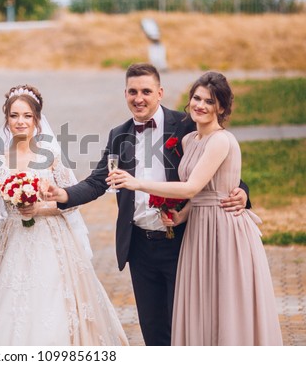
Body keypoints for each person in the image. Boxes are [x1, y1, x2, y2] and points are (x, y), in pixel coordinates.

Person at [45, 63, 249, 346]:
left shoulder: (188, 124)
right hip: (139, 247)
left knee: (187, 326)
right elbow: (96, 182)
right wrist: (62, 194)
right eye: (132, 92)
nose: (138, 98)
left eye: (145, 91)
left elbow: (221, 167)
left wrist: (242, 191)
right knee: (153, 331)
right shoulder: (119, 134)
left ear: (160, 92)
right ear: (125, 94)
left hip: (183, 241)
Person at [109, 71, 283, 345]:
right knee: (195, 315)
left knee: (224, 308)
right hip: (192, 230)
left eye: (209, 101)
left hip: (222, 230)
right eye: (196, 98)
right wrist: (181, 215)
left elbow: (193, 187)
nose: (200, 105)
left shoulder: (216, 137)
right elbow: (202, 190)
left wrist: (137, 184)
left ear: (222, 107)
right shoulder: (190, 139)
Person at [0, 85, 128, 346]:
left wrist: (39, 208)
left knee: (53, 301)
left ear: (37, 120)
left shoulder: (49, 155)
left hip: (52, 239)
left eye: (27, 116)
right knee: (13, 305)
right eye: (14, 115)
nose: (21, 121)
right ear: (6, 119)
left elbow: (71, 201)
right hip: (14, 239)